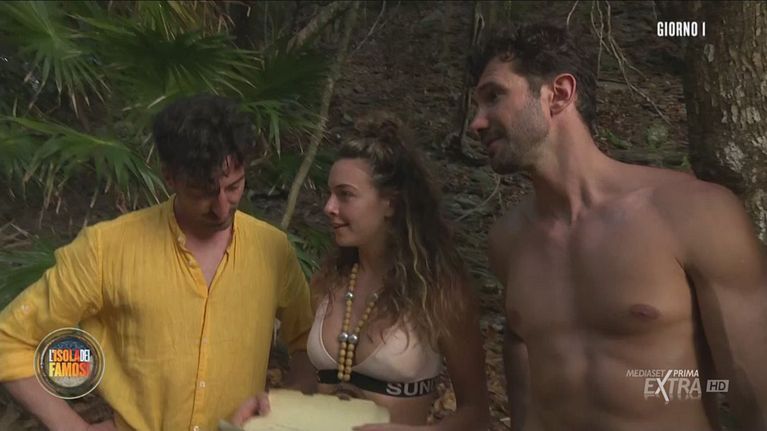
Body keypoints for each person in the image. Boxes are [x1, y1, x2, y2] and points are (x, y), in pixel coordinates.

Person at [469, 23, 767, 431]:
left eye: (494, 97)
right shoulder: (508, 241)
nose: (476, 122)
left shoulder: (694, 213)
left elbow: (755, 396)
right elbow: (526, 354)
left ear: (559, 94)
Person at [0, 94, 315, 431]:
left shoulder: (272, 249)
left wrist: (285, 406)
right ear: (170, 177)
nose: (222, 208)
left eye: (233, 187)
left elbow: (310, 344)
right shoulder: (106, 249)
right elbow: (9, 341)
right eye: (202, 193)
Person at [233, 112, 490, 430]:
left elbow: (476, 414)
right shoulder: (328, 282)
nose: (329, 207)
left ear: (390, 203)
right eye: (330, 193)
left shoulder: (438, 291)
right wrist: (270, 404)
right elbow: (310, 387)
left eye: (345, 195)